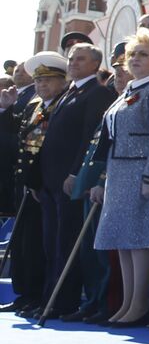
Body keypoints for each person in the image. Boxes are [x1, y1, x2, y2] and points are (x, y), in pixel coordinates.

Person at [91, 29, 149, 326]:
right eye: (132, 54)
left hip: (141, 171)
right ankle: (127, 302)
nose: (135, 59)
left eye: (143, 54)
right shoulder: (130, 89)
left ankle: (139, 304)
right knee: (123, 241)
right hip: (119, 172)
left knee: (140, 240)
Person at [34, 41, 114, 317]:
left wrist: (75, 173)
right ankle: (47, 299)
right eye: (71, 59)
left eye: (80, 59)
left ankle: (63, 301)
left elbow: (88, 138)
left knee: (66, 243)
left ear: (95, 64)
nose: (73, 64)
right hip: (49, 181)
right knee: (51, 243)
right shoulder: (69, 93)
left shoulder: (97, 93)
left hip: (69, 180)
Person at [0, 53, 66, 316]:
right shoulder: (34, 105)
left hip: (44, 185)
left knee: (40, 244)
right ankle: (24, 293)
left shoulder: (61, 105)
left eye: (48, 80)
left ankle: (38, 295)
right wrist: (5, 109)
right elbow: (19, 136)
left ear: (62, 80)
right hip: (26, 183)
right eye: (39, 80)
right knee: (23, 243)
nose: (42, 85)